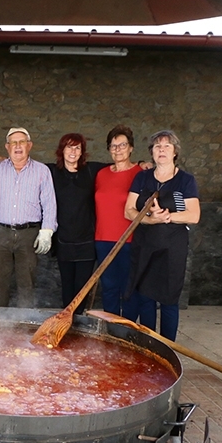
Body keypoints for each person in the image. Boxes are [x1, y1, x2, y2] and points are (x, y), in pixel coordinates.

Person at [124, 130, 200, 341]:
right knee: (145, 297)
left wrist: (167, 216)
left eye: (167, 146)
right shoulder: (142, 177)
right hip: (145, 244)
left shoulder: (185, 180)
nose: (162, 150)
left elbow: (193, 215)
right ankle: (150, 344)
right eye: (157, 147)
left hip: (172, 248)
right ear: (152, 152)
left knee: (168, 300)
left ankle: (168, 348)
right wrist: (149, 218)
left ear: (175, 151)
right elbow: (128, 210)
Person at [0, 127, 57, 307]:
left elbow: (49, 204)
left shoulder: (42, 171)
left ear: (30, 145)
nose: (18, 146)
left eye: (22, 142)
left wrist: (47, 231)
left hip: (29, 233)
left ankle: (23, 328)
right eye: (13, 143)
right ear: (7, 147)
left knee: (27, 284)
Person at [47, 133, 110, 313]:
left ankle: (80, 322)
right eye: (69, 147)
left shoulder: (91, 170)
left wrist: (142, 163)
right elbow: (27, 166)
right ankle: (66, 323)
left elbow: (119, 166)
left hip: (86, 241)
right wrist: (2, 159)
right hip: (64, 240)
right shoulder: (52, 171)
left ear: (82, 152)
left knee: (82, 289)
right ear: (62, 150)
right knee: (67, 287)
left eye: (77, 148)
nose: (73, 151)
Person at [93, 125, 144, 320]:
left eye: (122, 145)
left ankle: (128, 329)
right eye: (113, 146)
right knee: (108, 287)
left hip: (129, 239)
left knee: (129, 288)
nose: (118, 149)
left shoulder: (140, 173)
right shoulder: (102, 174)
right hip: (103, 239)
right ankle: (111, 330)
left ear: (131, 148)